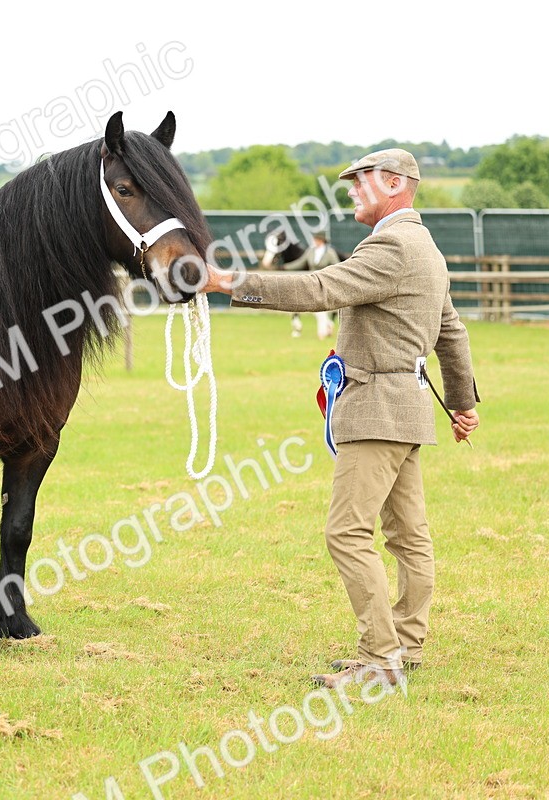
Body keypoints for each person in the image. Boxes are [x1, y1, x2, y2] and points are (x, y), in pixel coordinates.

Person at [203, 148, 480, 688]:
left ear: (396, 184)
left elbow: (319, 288)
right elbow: (452, 331)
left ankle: (380, 660)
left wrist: (228, 282)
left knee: (346, 533)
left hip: (377, 412)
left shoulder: (393, 246)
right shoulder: (425, 247)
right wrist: (463, 403)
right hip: (407, 411)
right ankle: (405, 645)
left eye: (361, 181)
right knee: (408, 536)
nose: (351, 189)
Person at [281, 229, 339, 340]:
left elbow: (336, 266)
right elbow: (301, 262)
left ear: (321, 240)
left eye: (316, 239)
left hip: (325, 283)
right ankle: (325, 328)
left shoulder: (330, 253)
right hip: (312, 282)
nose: (315, 241)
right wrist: (285, 267)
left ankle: (323, 330)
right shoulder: (311, 251)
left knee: (320, 308)